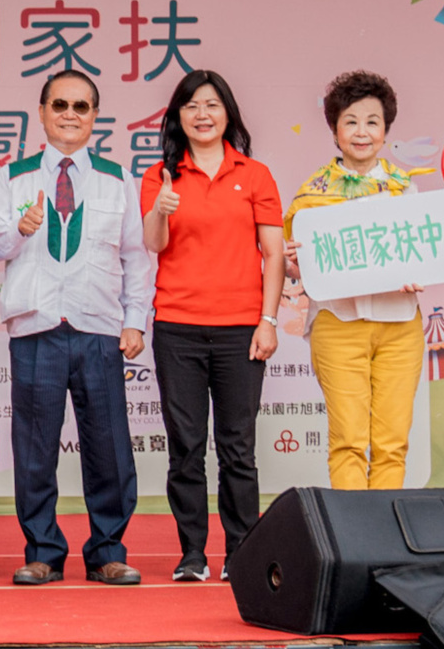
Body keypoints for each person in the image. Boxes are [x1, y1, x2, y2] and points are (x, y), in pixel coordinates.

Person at [0, 69, 153, 586]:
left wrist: (135, 321)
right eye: (60, 105)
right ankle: (43, 553)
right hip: (36, 326)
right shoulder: (12, 177)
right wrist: (19, 229)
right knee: (34, 448)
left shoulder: (117, 179)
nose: (70, 115)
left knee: (109, 447)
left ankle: (108, 552)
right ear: (42, 113)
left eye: (81, 106)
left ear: (95, 116)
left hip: (98, 326)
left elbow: (136, 257)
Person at [140, 69, 282, 583]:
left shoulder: (255, 174)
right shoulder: (160, 176)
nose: (202, 114)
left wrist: (268, 321)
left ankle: (241, 552)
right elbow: (154, 244)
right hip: (177, 327)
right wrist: (160, 210)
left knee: (238, 448)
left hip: (241, 329)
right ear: (177, 116)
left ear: (228, 113)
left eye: (212, 104)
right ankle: (193, 555)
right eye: (191, 106)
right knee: (185, 448)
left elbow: (273, 254)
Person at [285, 71, 428, 492]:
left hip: (399, 325)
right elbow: (296, 268)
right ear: (334, 130)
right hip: (338, 323)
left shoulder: (406, 190)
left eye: (372, 122)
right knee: (347, 441)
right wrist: (295, 265)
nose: (361, 132)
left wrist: (416, 273)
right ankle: (353, 532)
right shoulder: (311, 195)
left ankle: (383, 531)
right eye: (350, 122)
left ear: (386, 131)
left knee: (392, 443)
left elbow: (423, 255)